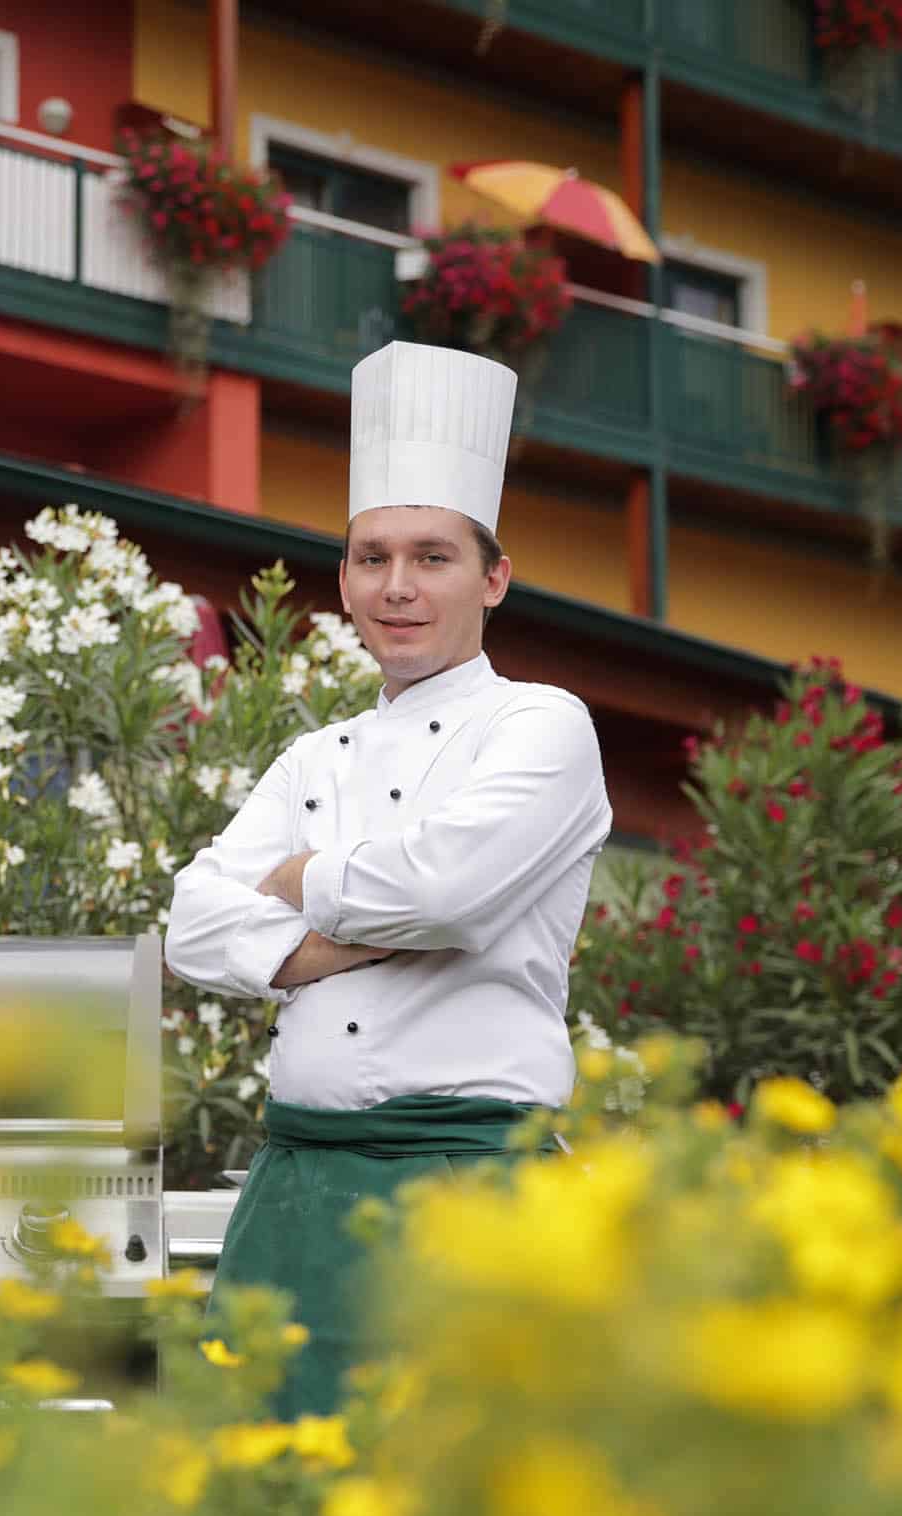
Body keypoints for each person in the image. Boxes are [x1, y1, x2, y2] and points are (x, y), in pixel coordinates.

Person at [165, 341, 615, 1419]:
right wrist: (394, 918)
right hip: (295, 1187)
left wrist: (290, 886)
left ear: (493, 577)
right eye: (371, 558)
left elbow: (448, 894)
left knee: (460, 1496)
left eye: (432, 556)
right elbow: (189, 921)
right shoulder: (311, 757)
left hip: (470, 1180)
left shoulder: (544, 726)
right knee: (264, 1500)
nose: (397, 587)